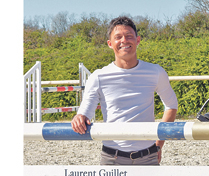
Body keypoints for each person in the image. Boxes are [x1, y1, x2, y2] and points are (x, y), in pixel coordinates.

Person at [71, 16, 178, 166]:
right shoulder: (98, 77)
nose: (124, 41)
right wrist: (79, 117)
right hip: (111, 158)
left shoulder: (155, 72)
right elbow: (85, 113)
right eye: (118, 37)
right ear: (110, 43)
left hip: (148, 157)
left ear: (138, 40)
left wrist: (159, 144)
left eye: (129, 36)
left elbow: (171, 105)